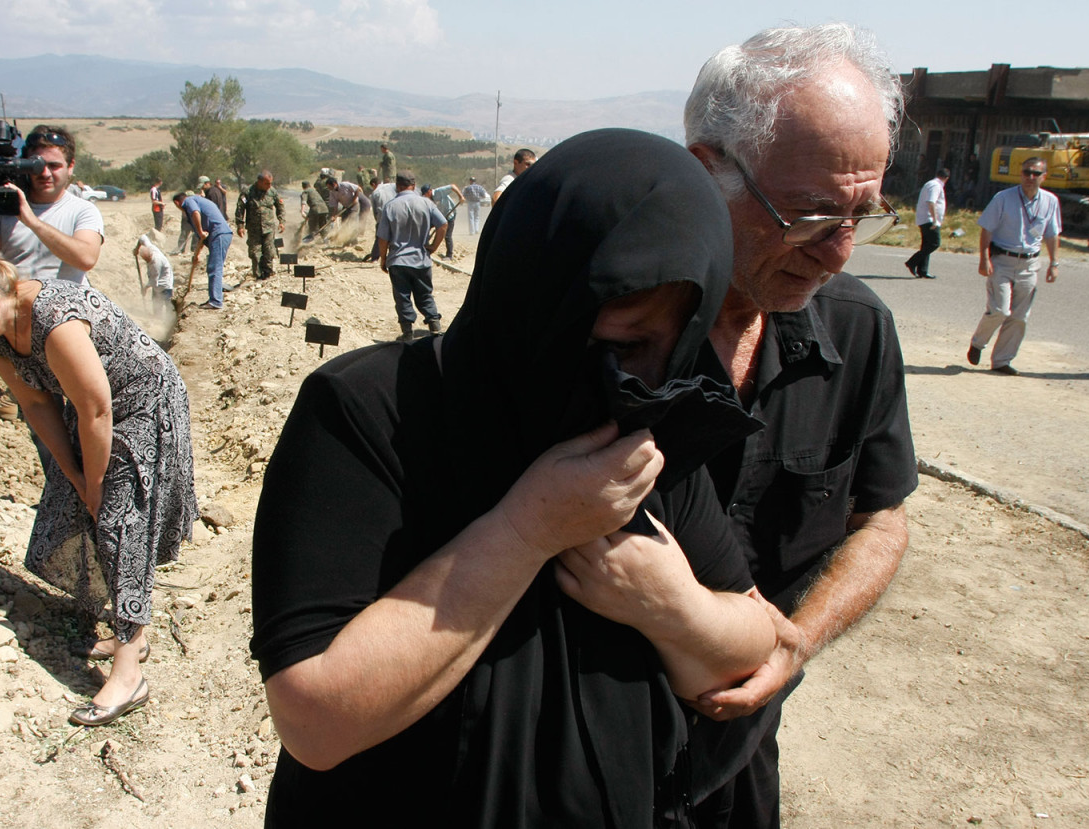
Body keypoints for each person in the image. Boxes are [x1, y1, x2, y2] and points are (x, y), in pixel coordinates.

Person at [251, 128, 777, 826]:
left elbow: (749, 642)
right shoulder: (369, 412)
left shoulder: (645, 418)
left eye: (667, 346)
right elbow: (315, 719)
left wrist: (670, 605)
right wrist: (528, 529)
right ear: (534, 297)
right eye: (618, 344)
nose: (638, 379)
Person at [682, 23, 918, 825]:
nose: (840, 252)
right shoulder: (606, 331)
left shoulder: (857, 331)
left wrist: (796, 641)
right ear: (705, 171)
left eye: (865, 211)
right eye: (813, 213)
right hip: (578, 756)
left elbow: (882, 518)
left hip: (743, 751)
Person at [0, 236, 197, 727]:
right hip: (92, 410)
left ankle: (130, 672)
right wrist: (73, 475)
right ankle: (134, 633)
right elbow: (37, 404)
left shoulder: (54, 320)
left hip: (143, 402)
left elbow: (98, 408)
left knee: (119, 519)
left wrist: (98, 483)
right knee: (77, 505)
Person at [0, 125, 105, 287]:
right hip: (17, 305)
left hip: (67, 306)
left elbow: (86, 259)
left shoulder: (83, 211)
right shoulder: (4, 210)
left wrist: (32, 221)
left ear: (70, 167)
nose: (45, 174)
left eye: (54, 166)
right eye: (38, 165)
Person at [967, 156, 1061, 375]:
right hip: (1002, 261)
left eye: (1035, 173)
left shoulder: (1050, 201)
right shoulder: (1004, 198)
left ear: (1044, 177)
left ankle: (1002, 361)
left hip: (1029, 264)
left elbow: (1052, 234)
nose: (1030, 177)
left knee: (1019, 317)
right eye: (1026, 172)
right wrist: (984, 258)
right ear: (1020, 174)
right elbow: (987, 228)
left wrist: (1054, 263)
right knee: (1000, 309)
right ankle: (978, 342)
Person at [375, 172, 447, 340]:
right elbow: (443, 224)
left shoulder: (390, 206)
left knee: (402, 297)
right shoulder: (426, 203)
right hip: (421, 260)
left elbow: (383, 238)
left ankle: (407, 333)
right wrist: (433, 247)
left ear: (397, 186)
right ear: (413, 186)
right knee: (424, 294)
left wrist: (384, 259)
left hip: (398, 261)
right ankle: (434, 324)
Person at [172, 191, 232, 311]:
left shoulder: (189, 202)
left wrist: (200, 231)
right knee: (213, 266)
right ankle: (215, 297)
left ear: (177, 203)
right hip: (219, 235)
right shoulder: (197, 200)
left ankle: (216, 301)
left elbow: (195, 213)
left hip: (219, 234)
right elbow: (202, 238)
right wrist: (196, 255)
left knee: (214, 267)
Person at [234, 171, 285, 281]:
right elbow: (240, 209)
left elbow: (280, 206)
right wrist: (240, 225)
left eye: (270, 183)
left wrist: (281, 221)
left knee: (269, 251)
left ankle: (268, 274)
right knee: (255, 253)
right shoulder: (247, 192)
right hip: (254, 229)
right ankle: (258, 275)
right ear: (259, 182)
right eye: (267, 183)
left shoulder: (272, 191)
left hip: (269, 228)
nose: (269, 186)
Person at [904, 168, 949, 279]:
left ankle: (922, 270)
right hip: (929, 219)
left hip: (925, 218)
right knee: (934, 243)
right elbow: (931, 202)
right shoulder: (935, 185)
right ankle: (912, 261)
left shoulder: (931, 184)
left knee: (926, 244)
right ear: (946, 179)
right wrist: (934, 219)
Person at [134, 233, 174, 314]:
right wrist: (136, 249)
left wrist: (145, 288)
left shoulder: (155, 264)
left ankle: (170, 320)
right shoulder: (150, 247)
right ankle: (157, 318)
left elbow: (154, 281)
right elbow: (142, 237)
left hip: (165, 283)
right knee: (156, 305)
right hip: (157, 284)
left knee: (168, 304)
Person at [423, 182, 464, 260]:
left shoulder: (439, 191)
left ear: (429, 192)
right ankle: (426, 245)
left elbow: (453, 186)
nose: (425, 197)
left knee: (447, 236)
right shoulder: (429, 198)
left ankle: (449, 255)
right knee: (427, 226)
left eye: (425, 195)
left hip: (449, 215)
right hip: (440, 216)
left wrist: (460, 196)